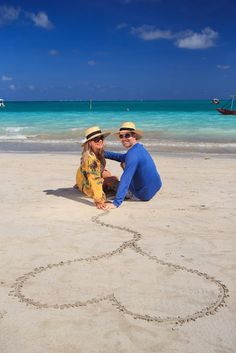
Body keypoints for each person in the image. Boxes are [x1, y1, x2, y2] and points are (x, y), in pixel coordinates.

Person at [104, 122, 162, 209]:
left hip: (142, 195)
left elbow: (126, 179)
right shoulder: (139, 148)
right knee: (124, 162)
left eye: (127, 135)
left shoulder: (132, 155)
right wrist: (103, 153)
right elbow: (122, 157)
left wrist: (116, 203)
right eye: (121, 136)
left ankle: (127, 194)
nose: (123, 139)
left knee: (109, 179)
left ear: (134, 136)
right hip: (154, 187)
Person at [75, 126, 119, 209]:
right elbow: (95, 180)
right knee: (113, 179)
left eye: (101, 138)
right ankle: (82, 185)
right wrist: (99, 200)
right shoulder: (90, 159)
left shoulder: (99, 153)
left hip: (81, 177)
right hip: (88, 184)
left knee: (107, 173)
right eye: (96, 139)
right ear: (90, 143)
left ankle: (80, 184)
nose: (100, 141)